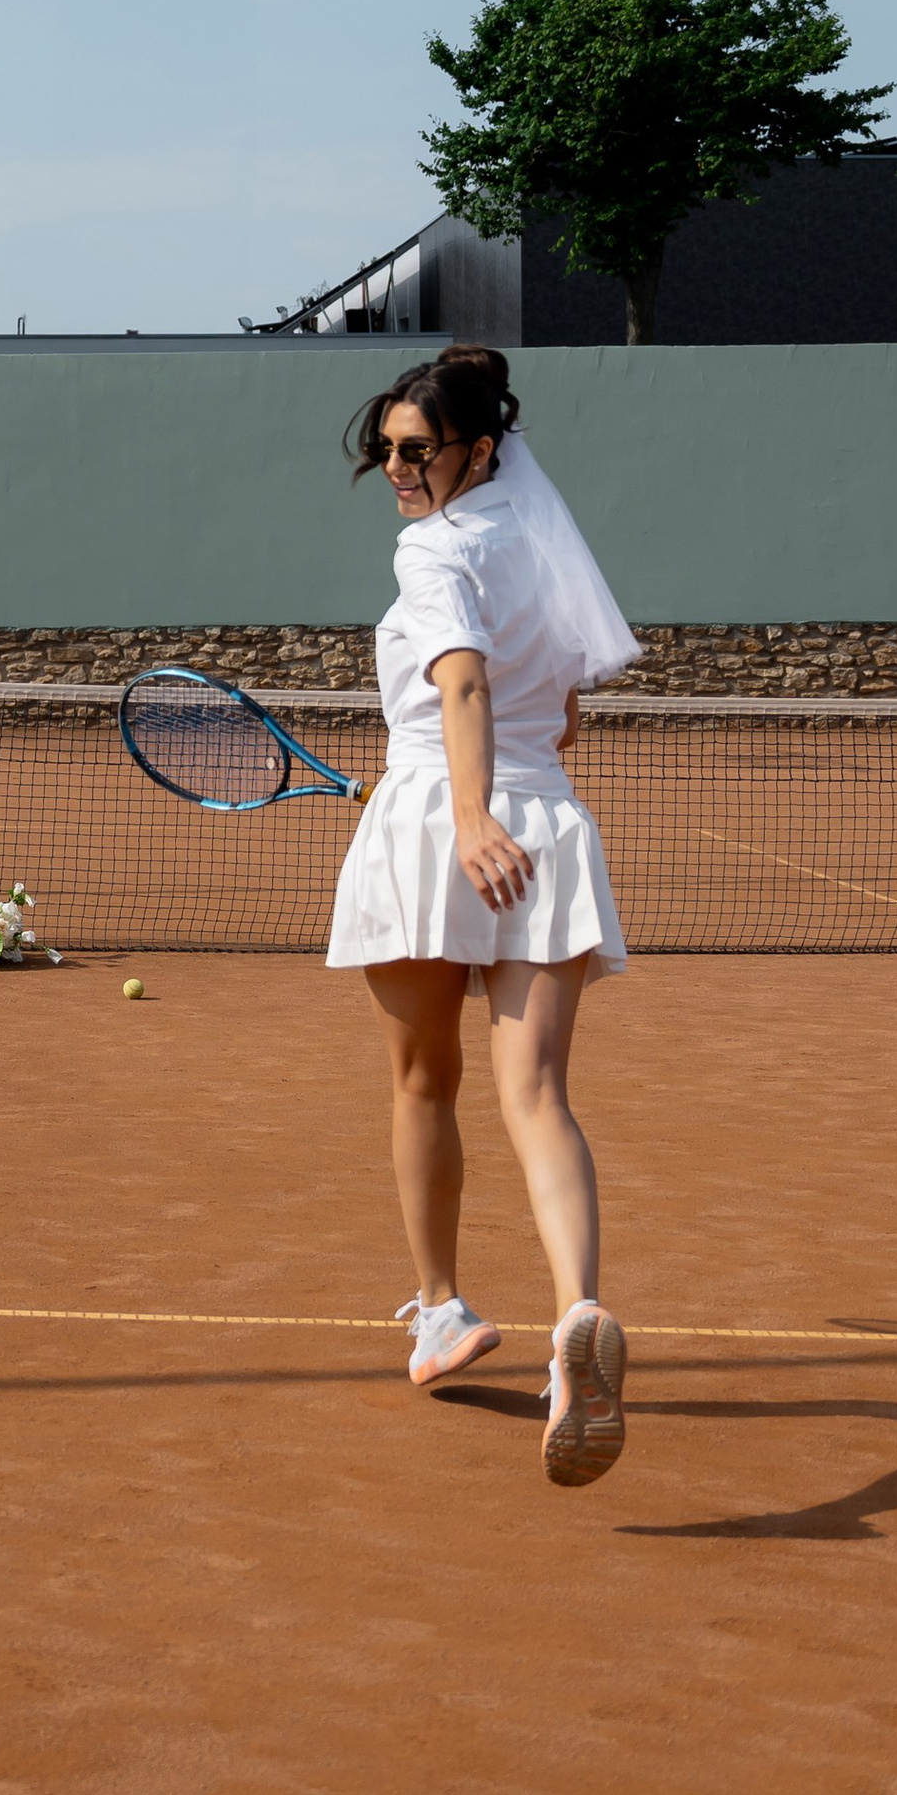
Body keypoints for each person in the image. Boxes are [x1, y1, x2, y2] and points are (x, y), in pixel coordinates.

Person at [323, 343, 635, 1490]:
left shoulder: (432, 548)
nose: (398, 469)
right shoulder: (545, 549)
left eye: (419, 450)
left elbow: (459, 681)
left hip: (439, 828)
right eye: (386, 451)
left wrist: (455, 813)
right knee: (539, 1096)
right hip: (544, 825)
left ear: (480, 450)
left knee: (422, 1084)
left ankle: (443, 1310)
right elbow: (555, 725)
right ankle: (577, 1321)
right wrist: (483, 796)